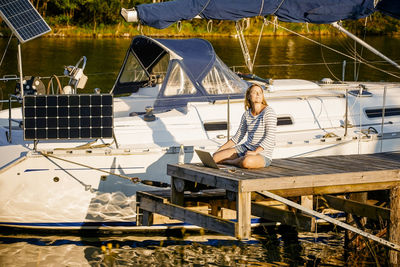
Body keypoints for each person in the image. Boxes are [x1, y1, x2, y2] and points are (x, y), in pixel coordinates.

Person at [213, 84, 277, 169]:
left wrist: (255, 152)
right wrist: (219, 150)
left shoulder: (268, 112)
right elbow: (237, 137)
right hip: (245, 149)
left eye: (260, 92)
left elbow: (270, 137)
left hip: (262, 153)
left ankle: (232, 162)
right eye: (254, 92)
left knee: (247, 162)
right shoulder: (247, 114)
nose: (258, 94)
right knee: (215, 158)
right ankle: (239, 159)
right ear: (249, 96)